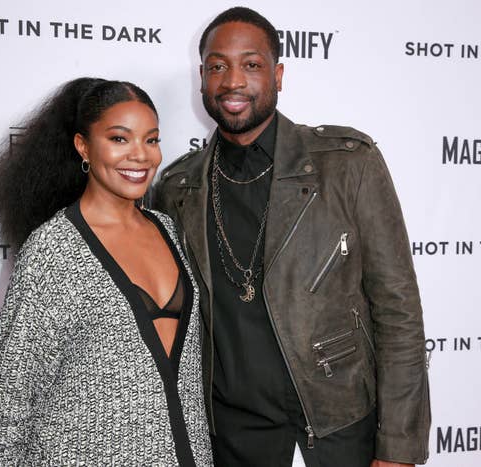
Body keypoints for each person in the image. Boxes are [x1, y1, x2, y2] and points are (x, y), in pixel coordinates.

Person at [153, 7, 430, 467]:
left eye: (252, 65)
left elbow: (398, 309)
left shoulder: (347, 166)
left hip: (339, 429)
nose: (233, 81)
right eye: (217, 66)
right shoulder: (180, 188)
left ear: (278, 75)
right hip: (233, 439)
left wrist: (399, 445)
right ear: (201, 79)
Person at [0, 78, 212, 466]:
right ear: (83, 146)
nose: (140, 156)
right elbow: (5, 405)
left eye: (151, 139)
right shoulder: (54, 250)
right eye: (119, 139)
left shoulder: (171, 230)